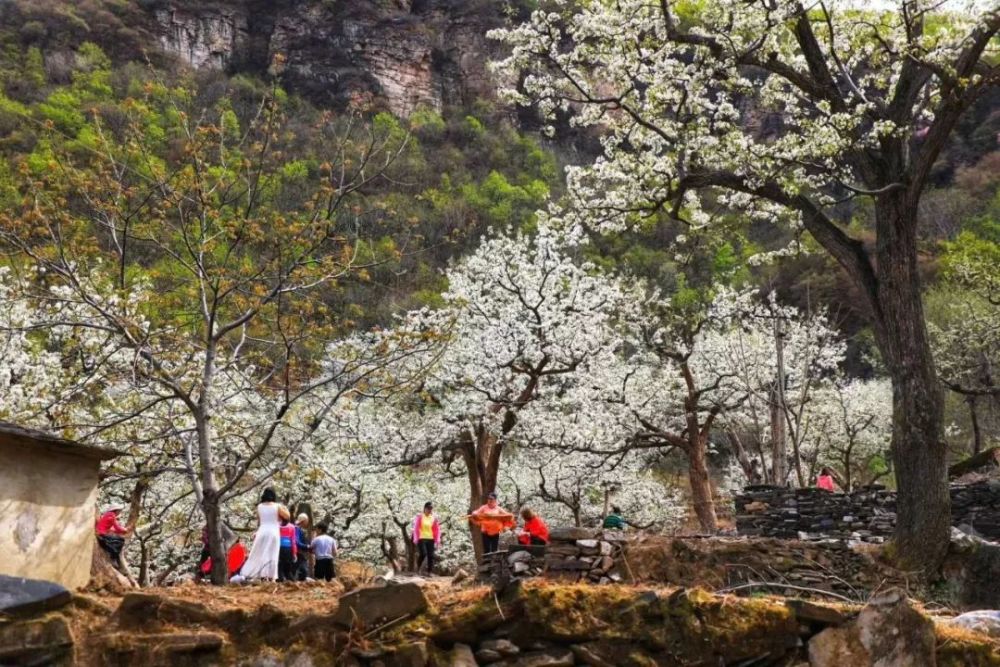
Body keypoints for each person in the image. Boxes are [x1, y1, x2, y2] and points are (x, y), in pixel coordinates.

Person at [235, 488, 283, 582]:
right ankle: (270, 576)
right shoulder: (277, 506)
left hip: (262, 530)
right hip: (273, 531)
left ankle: (256, 574)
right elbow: (287, 516)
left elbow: (260, 521)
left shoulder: (259, 506)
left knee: (259, 553)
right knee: (272, 554)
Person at [469, 492, 515, 556]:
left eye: (491, 499)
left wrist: (507, 524)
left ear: (495, 500)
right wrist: (474, 513)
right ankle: (487, 563)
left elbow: (506, 515)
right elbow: (476, 512)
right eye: (488, 499)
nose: (489, 500)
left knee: (494, 550)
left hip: (495, 532)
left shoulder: (498, 509)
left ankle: (494, 563)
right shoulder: (484, 507)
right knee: (486, 550)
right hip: (485, 531)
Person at [95, 503, 130, 568]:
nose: (119, 512)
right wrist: (124, 530)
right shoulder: (112, 515)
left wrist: (122, 530)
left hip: (100, 533)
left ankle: (113, 556)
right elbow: (117, 528)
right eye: (119, 511)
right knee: (120, 540)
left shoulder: (108, 515)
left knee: (118, 540)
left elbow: (111, 528)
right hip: (101, 535)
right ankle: (113, 557)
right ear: (115, 510)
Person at [412, 502, 441, 575]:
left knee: (431, 555)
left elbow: (437, 530)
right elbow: (416, 528)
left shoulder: (433, 518)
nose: (429, 510)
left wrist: (437, 540)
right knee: (423, 554)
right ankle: (418, 569)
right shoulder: (420, 517)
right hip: (421, 538)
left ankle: (429, 572)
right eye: (428, 508)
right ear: (424, 508)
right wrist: (415, 538)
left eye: (431, 509)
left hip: (431, 538)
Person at [278, 515, 298, 582]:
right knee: (288, 567)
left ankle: (280, 579)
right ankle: (291, 581)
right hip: (288, 549)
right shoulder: (292, 527)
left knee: (280, 566)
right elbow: (293, 541)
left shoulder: (277, 526)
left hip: (279, 548)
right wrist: (294, 553)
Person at [294, 514, 311, 581]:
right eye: (307, 521)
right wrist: (306, 546)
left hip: (297, 551)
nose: (307, 523)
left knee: (297, 568)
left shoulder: (297, 528)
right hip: (297, 552)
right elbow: (297, 542)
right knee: (303, 569)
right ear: (303, 521)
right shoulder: (296, 528)